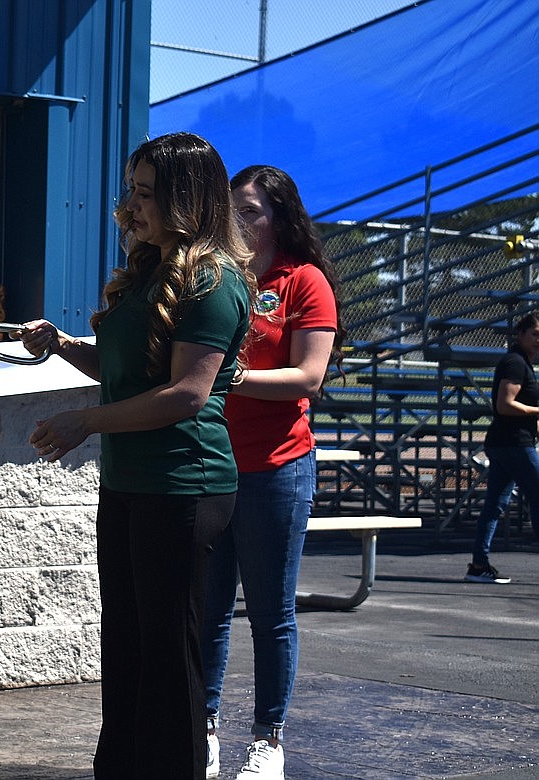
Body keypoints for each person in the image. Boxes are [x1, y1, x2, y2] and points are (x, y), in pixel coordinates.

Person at [20, 132, 253, 779]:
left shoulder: (216, 279)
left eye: (146, 193)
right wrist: (63, 344)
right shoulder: (151, 267)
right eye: (132, 190)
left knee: (167, 653)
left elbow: (184, 394)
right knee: (125, 645)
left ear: (186, 198)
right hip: (129, 485)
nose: (133, 204)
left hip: (183, 486)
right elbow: (131, 370)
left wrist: (85, 422)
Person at [200, 165, 341, 780]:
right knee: (205, 609)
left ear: (280, 218)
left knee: (269, 612)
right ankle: (201, 728)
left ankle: (267, 738)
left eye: (251, 211)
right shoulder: (214, 276)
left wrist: (226, 378)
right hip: (210, 465)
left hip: (277, 469)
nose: (238, 222)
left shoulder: (304, 282)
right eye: (231, 211)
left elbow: (308, 377)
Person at [465, 311, 539, 585]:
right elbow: (504, 404)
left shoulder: (521, 363)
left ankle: (478, 565)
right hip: (512, 444)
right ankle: (478, 562)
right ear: (520, 334)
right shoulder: (515, 362)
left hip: (506, 443)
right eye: (535, 334)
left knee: (495, 505)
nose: (538, 341)